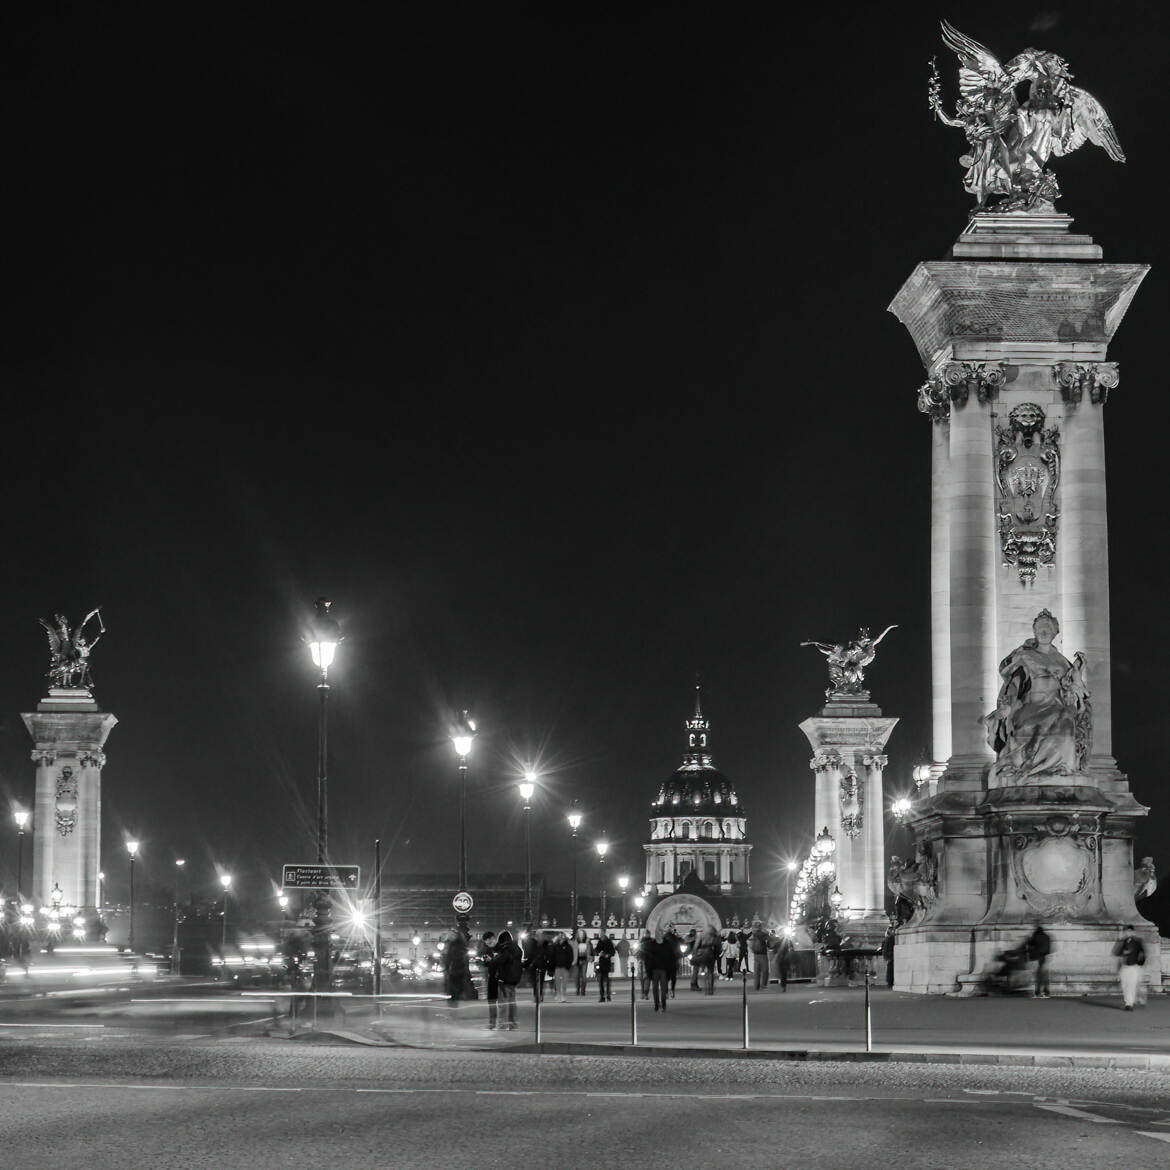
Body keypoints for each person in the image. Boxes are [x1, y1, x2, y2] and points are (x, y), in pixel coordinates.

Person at [492, 930, 523, 1030]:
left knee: (502, 1004)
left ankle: (502, 1025)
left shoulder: (506, 949)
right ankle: (513, 1024)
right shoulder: (517, 949)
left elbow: (500, 960)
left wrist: (493, 959)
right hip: (514, 979)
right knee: (512, 1003)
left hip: (504, 979)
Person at [1112, 925, 1146, 1010]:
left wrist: (1139, 964)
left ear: (1132, 932)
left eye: (1129, 931)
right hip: (1124, 966)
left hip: (1133, 966)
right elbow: (1116, 953)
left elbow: (1142, 955)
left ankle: (1129, 1004)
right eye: (1126, 931)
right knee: (1125, 985)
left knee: (1131, 985)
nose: (1127, 933)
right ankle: (1128, 1002)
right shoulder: (1122, 941)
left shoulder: (1138, 942)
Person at [647, 928, 675, 1011]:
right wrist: (649, 970)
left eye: (660, 933)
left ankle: (663, 1005)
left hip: (664, 970)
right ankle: (656, 1004)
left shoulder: (667, 945)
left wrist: (670, 969)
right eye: (657, 933)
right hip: (654, 969)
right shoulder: (652, 944)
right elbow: (648, 958)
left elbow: (671, 957)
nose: (658, 935)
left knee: (664, 988)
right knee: (655, 988)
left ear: (662, 934)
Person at [478, 930, 499, 1028]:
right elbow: (484, 962)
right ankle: (492, 1022)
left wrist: (492, 960)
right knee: (492, 1001)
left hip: (500, 978)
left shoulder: (501, 948)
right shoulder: (486, 949)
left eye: (490, 940)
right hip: (492, 977)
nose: (489, 942)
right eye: (487, 941)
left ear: (494, 938)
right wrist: (484, 961)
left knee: (501, 1002)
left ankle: (501, 1022)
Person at [1025, 924, 1052, 998]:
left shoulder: (1036, 936)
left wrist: (1029, 937)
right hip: (1045, 957)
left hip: (1037, 957)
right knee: (1045, 975)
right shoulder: (1047, 936)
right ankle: (1046, 992)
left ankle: (1037, 992)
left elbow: (1030, 943)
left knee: (1038, 976)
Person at [549, 932, 573, 1002]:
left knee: (564, 982)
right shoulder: (555, 946)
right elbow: (552, 956)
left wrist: (568, 965)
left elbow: (570, 956)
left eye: (563, 936)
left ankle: (564, 995)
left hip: (565, 967)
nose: (561, 938)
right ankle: (558, 994)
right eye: (560, 936)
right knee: (557, 982)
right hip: (557, 966)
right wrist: (552, 965)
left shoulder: (568, 946)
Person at [524, 932, 548, 1002]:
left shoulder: (544, 944)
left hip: (541, 965)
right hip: (535, 965)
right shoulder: (532, 944)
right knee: (535, 982)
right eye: (538, 936)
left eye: (541, 936)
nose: (540, 937)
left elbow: (547, 954)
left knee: (540, 982)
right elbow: (528, 954)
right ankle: (537, 995)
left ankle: (539, 995)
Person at [594, 930, 615, 1001]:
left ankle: (608, 995)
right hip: (601, 962)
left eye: (602, 934)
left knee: (607, 980)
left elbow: (613, 952)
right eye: (600, 934)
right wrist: (599, 953)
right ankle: (602, 996)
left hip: (607, 962)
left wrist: (608, 954)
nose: (601, 935)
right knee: (601, 980)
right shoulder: (600, 941)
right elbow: (596, 950)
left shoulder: (608, 941)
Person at [750, 921, 769, 990]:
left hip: (756, 954)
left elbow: (751, 945)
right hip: (763, 954)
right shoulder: (765, 934)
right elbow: (769, 943)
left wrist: (753, 950)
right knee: (765, 970)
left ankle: (756, 986)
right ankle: (763, 985)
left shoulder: (753, 934)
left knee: (757, 971)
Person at [573, 927, 591, 996]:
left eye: (582, 934)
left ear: (584, 934)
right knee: (577, 976)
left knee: (583, 976)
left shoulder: (587, 941)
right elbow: (574, 951)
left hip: (584, 960)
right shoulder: (576, 941)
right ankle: (577, 990)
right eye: (580, 934)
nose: (581, 935)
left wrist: (590, 957)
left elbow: (590, 950)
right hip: (577, 961)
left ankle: (583, 991)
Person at [881, 923, 896, 991]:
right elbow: (885, 948)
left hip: (891, 955)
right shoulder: (889, 938)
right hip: (891, 955)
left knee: (890, 969)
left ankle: (890, 982)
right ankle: (890, 982)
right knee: (890, 969)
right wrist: (886, 955)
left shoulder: (889, 938)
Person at [637, 930, 652, 999]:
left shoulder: (651, 942)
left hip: (648, 961)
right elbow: (638, 951)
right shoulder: (641, 941)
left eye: (647, 934)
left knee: (647, 978)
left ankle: (645, 993)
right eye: (646, 934)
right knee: (642, 979)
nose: (646, 935)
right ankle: (643, 993)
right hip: (642, 961)